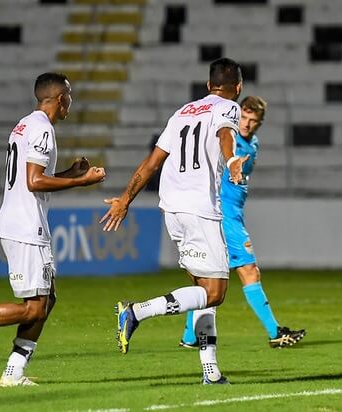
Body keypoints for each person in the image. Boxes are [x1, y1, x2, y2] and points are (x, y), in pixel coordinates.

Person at [0, 72, 106, 387]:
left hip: (19, 219)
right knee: (33, 309)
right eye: (69, 94)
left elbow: (35, 181)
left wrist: (69, 172)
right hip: (26, 226)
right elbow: (34, 181)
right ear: (57, 98)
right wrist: (82, 181)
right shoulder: (42, 129)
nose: (71, 100)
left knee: (46, 300)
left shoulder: (24, 124)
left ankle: (14, 371)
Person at [100, 57, 246, 384]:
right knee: (216, 292)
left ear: (209, 85)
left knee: (201, 288)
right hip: (200, 208)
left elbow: (152, 162)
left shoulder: (182, 113)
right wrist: (233, 159)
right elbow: (225, 134)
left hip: (172, 207)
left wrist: (125, 198)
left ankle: (211, 371)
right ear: (237, 87)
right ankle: (135, 312)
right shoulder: (229, 107)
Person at [179, 96, 306, 349]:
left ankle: (189, 337)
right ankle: (274, 332)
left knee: (206, 277)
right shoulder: (230, 139)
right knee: (248, 271)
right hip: (224, 216)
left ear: (260, 123)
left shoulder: (253, 143)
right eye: (244, 118)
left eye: (253, 121)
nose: (247, 125)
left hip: (232, 214)